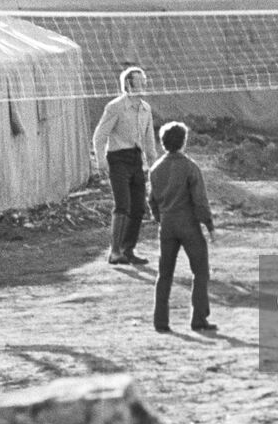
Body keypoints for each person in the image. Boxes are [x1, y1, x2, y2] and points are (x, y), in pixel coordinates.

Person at [148, 122, 217, 334]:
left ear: (163, 143)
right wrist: (209, 225)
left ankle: (160, 321)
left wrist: (160, 218)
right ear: (184, 142)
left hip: (167, 225)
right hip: (188, 224)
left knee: (164, 273)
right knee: (200, 271)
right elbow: (200, 200)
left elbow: (151, 200)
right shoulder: (190, 167)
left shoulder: (155, 168)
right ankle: (199, 318)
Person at [92, 66, 157, 266]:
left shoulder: (145, 108)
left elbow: (149, 140)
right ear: (128, 83)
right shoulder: (116, 107)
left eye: (144, 79)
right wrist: (101, 160)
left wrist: (153, 164)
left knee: (138, 207)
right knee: (123, 205)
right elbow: (100, 135)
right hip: (118, 158)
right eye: (140, 80)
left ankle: (128, 250)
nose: (144, 83)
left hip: (136, 159)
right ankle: (115, 252)